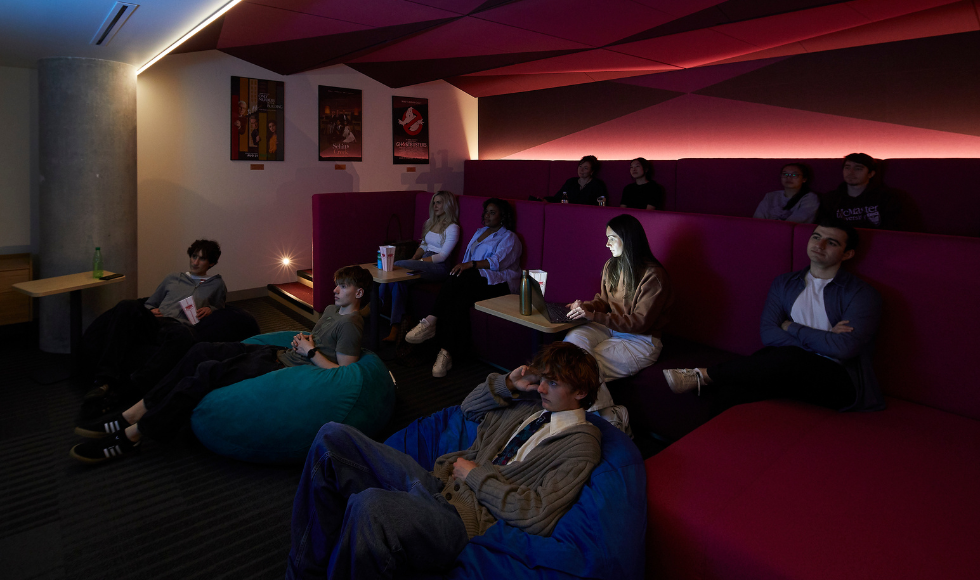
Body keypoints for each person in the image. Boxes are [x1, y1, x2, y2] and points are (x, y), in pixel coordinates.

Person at [285, 341, 602, 579]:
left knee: (371, 506)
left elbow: (538, 513)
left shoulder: (580, 445)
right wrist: (507, 384)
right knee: (332, 437)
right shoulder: (528, 408)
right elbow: (469, 409)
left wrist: (476, 476)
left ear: (580, 392)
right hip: (436, 481)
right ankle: (303, 572)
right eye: (543, 378)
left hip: (464, 518)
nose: (542, 387)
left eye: (554, 383)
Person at [69, 266, 372, 464]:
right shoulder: (332, 310)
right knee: (200, 350)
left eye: (342, 287)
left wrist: (309, 353)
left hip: (284, 369)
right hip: (275, 352)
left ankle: (133, 434)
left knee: (205, 373)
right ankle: (132, 411)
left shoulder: (352, 326)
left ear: (358, 293)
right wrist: (303, 341)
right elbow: (316, 338)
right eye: (336, 285)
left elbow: (344, 372)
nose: (334, 290)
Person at [663, 219, 884, 413]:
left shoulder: (861, 293)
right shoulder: (784, 283)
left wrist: (791, 327)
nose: (819, 245)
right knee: (730, 392)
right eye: (816, 237)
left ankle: (704, 375)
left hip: (840, 381)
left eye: (832, 242)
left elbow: (845, 349)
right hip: (786, 366)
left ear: (847, 254)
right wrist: (825, 338)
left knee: (788, 357)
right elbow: (768, 333)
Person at [81, 240, 226, 407]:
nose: (195, 262)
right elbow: (150, 302)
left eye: (202, 259)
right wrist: (150, 310)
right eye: (194, 256)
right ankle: (103, 380)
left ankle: (132, 388)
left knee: (183, 335)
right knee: (126, 305)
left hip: (179, 327)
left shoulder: (216, 284)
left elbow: (222, 308)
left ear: (212, 263)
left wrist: (211, 309)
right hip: (156, 321)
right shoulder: (173, 278)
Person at [564, 214, 673, 433]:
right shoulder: (611, 266)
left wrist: (592, 316)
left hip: (642, 340)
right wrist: (585, 307)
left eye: (612, 238)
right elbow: (603, 302)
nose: (607, 244)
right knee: (571, 341)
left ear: (628, 238)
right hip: (611, 328)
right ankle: (608, 413)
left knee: (578, 364)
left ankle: (603, 418)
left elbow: (639, 323)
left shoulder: (654, 275)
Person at [405, 198, 522, 378]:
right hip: (474, 280)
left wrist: (470, 265)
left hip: (500, 283)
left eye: (493, 212)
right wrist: (466, 266)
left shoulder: (509, 237)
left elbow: (497, 263)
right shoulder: (480, 232)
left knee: (460, 277)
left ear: (503, 216)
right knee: (458, 297)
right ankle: (446, 352)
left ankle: (431, 321)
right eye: (486, 212)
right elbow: (467, 259)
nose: (487, 216)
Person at [381, 191, 461, 343]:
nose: (434, 206)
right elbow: (423, 245)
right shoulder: (430, 223)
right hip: (423, 262)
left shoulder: (452, 228)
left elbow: (443, 256)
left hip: (439, 267)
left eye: (439, 202)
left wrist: (419, 263)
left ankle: (376, 303)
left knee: (397, 265)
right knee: (400, 280)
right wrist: (413, 260)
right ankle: (395, 328)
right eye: (434, 202)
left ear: (448, 204)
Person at [819, 153, 902, 230]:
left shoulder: (887, 197)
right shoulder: (830, 198)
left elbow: (893, 229)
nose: (851, 172)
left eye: (858, 168)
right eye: (847, 167)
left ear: (871, 174)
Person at [753, 162, 820, 223]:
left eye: (794, 175)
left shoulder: (810, 198)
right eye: (785, 174)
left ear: (804, 179)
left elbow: (795, 223)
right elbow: (757, 220)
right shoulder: (770, 196)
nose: (788, 177)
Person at [542, 155, 607, 205]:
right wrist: (545, 200)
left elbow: (601, 205)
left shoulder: (597, 185)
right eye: (580, 166)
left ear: (592, 171)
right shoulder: (571, 182)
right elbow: (558, 198)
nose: (581, 170)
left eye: (585, 168)